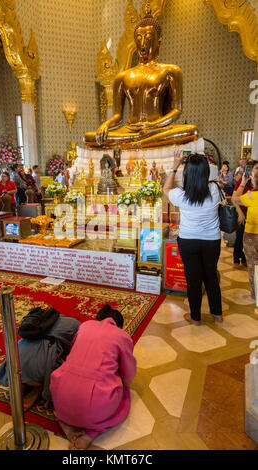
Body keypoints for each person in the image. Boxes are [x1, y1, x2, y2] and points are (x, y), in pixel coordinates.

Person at [84, 8, 197, 149]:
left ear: (159, 41)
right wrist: (105, 124)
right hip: (130, 130)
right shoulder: (122, 77)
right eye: (138, 38)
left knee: (191, 131)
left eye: (149, 37)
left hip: (157, 129)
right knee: (90, 137)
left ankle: (135, 144)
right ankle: (139, 143)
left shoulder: (171, 71)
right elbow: (118, 116)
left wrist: (153, 126)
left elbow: (176, 111)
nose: (143, 43)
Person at [50, 304, 137, 450]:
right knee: (122, 392)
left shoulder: (85, 326)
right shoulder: (122, 335)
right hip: (96, 407)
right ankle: (92, 433)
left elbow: (74, 350)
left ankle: (65, 423)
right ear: (119, 325)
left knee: (69, 380)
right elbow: (129, 375)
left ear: (98, 318)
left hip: (60, 395)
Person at [163, 150, 223, 325]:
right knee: (211, 276)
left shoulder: (180, 195)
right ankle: (217, 315)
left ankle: (195, 317)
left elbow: (165, 188)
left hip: (188, 241)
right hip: (211, 241)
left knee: (193, 279)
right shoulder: (215, 189)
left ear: (187, 173)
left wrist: (175, 164)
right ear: (206, 172)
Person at [0, 314, 81, 411]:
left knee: (24, 360)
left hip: (13, 369)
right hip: (39, 374)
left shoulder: (36, 323)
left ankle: (21, 385)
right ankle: (38, 389)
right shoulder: (77, 327)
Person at [232, 164, 258, 300]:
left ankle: (255, 295)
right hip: (249, 228)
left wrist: (243, 183)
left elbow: (234, 199)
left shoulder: (251, 196)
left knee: (253, 266)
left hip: (252, 233)